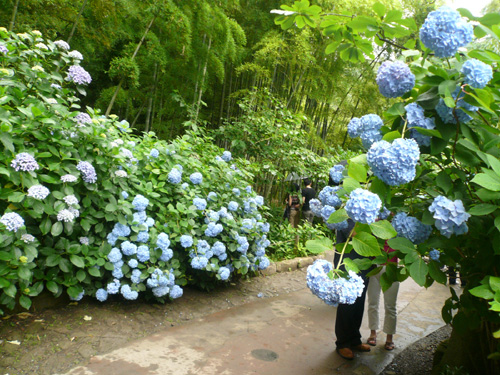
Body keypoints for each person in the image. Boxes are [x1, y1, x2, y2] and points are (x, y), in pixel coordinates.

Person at [334, 218, 371, 360]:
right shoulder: (347, 213)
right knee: (347, 305)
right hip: (347, 264)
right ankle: (342, 343)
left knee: (359, 304)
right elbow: (355, 233)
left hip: (363, 263)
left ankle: (354, 340)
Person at [366, 241, 400, 351]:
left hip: (392, 269)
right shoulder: (373, 224)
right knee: (372, 303)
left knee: (390, 306)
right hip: (374, 268)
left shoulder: (398, 226)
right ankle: (373, 333)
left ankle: (389, 337)